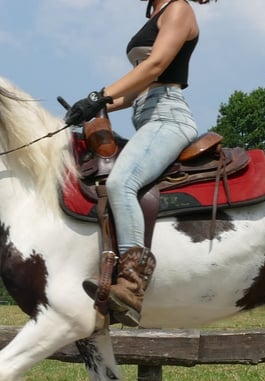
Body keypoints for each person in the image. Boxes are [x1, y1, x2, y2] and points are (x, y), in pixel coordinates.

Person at [65, 0, 217, 327]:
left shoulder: (179, 8)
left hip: (169, 118)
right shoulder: (155, 15)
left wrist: (98, 95)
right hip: (146, 117)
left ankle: (132, 287)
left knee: (121, 183)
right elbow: (132, 95)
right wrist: (92, 109)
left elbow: (154, 66)